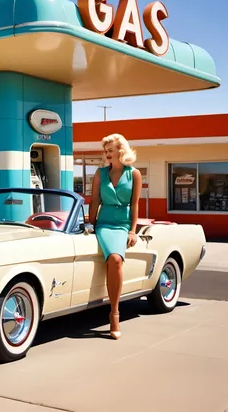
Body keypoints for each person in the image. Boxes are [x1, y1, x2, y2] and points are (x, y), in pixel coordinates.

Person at [88, 133, 142, 340]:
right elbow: (94, 201)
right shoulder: (100, 173)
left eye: (110, 150)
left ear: (121, 150)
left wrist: (132, 230)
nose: (107, 154)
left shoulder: (134, 174)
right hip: (104, 223)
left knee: (116, 260)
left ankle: (114, 313)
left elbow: (136, 203)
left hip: (122, 224)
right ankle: (113, 313)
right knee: (113, 259)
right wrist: (89, 224)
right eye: (106, 151)